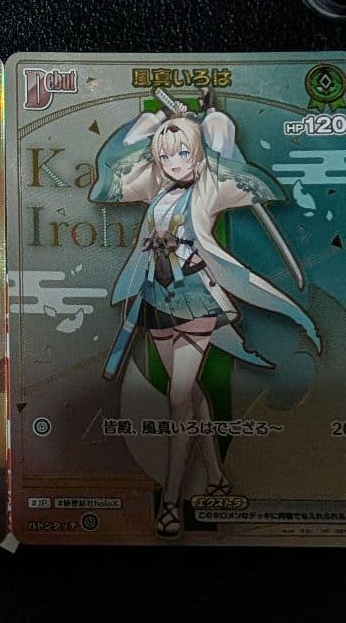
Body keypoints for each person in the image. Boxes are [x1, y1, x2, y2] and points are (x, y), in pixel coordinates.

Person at [91, 92, 320, 538]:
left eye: (182, 153)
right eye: (165, 154)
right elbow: (112, 164)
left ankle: (171, 501)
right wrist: (154, 119)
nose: (173, 162)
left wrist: (210, 116)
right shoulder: (155, 189)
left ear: (197, 154)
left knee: (178, 399)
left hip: (197, 299)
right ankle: (216, 477)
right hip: (156, 297)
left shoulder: (210, 187)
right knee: (191, 394)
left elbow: (224, 142)